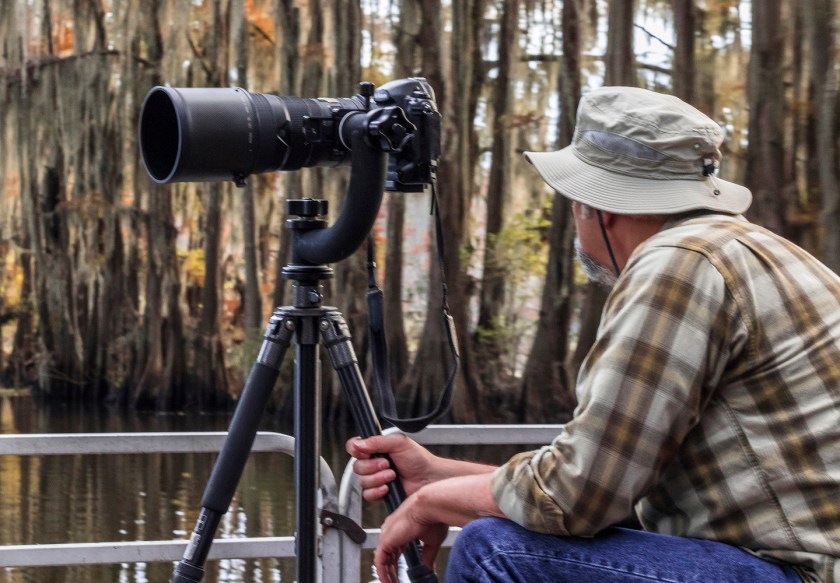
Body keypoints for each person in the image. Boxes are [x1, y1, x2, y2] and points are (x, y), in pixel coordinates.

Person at [347, 86, 840, 583]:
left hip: (795, 573)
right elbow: (608, 488)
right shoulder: (760, 250)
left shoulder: (678, 264)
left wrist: (432, 504)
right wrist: (436, 477)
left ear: (596, 206)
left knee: (493, 551)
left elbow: (577, 499)